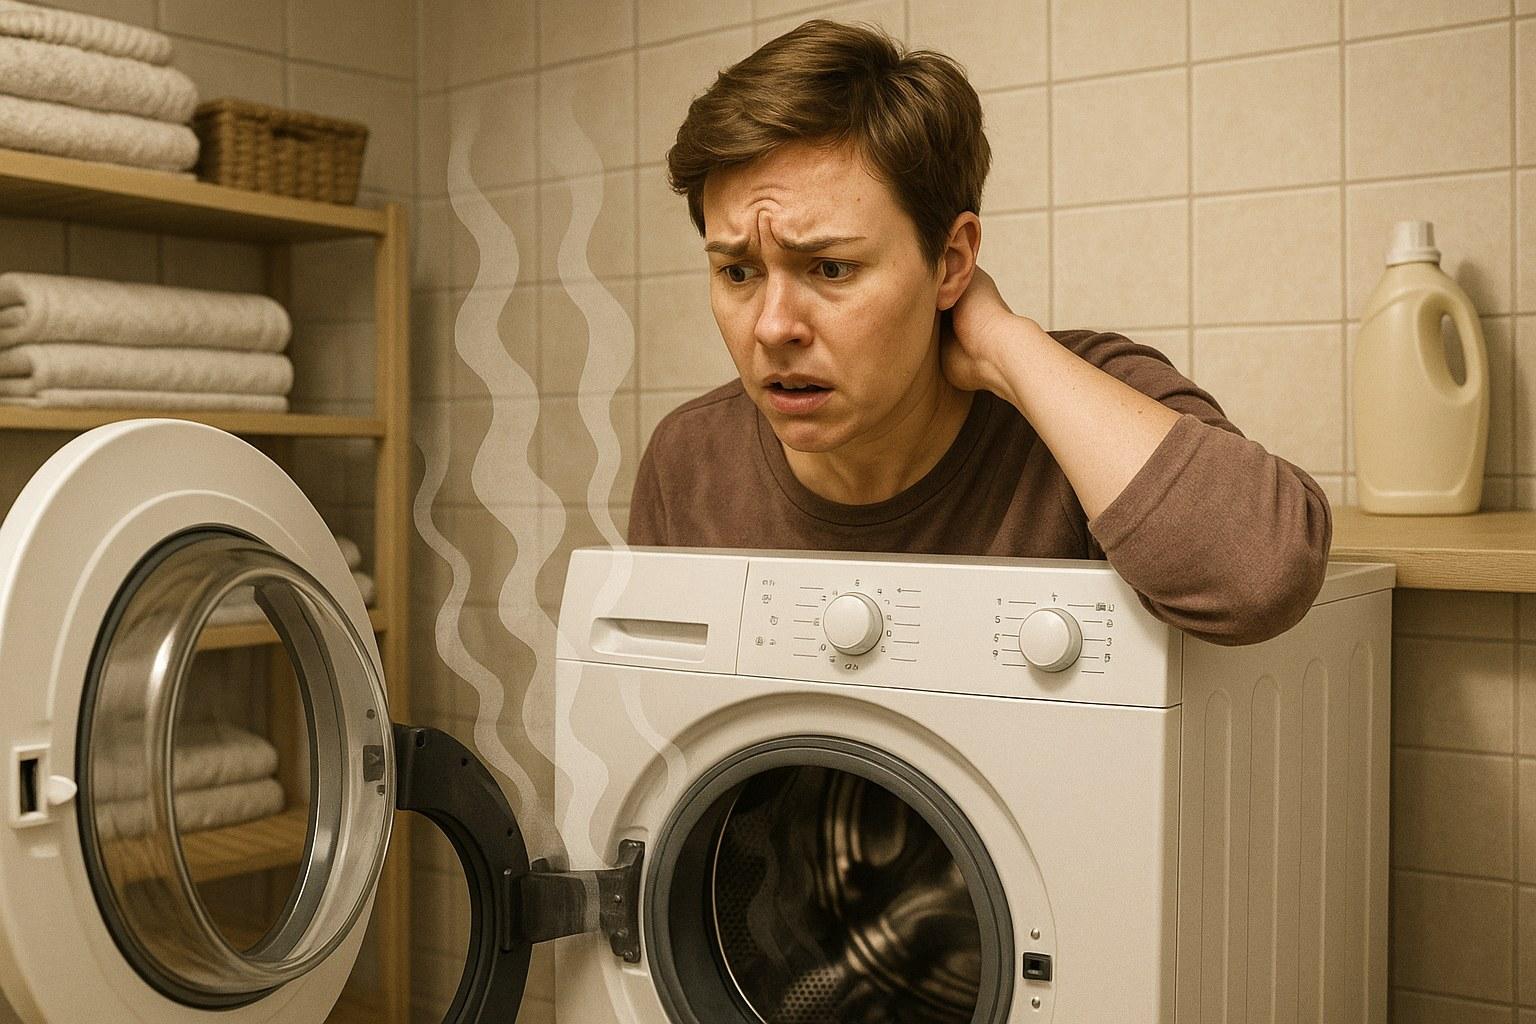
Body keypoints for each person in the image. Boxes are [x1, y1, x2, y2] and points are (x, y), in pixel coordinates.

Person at [627, 19, 1331, 647]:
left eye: (832, 267)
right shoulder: (690, 462)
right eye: (739, 273)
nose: (774, 327)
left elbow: (1261, 578)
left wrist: (1003, 340)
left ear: (952, 261)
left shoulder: (1080, 402)